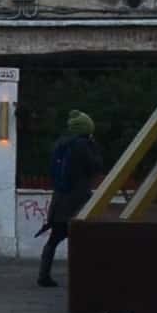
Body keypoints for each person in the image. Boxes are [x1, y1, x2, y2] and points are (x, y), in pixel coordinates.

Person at [38, 109, 106, 288]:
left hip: (60, 199)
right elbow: (95, 166)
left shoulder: (61, 144)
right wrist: (95, 148)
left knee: (54, 238)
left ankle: (43, 275)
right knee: (85, 238)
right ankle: (84, 276)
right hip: (78, 200)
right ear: (85, 129)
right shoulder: (83, 146)